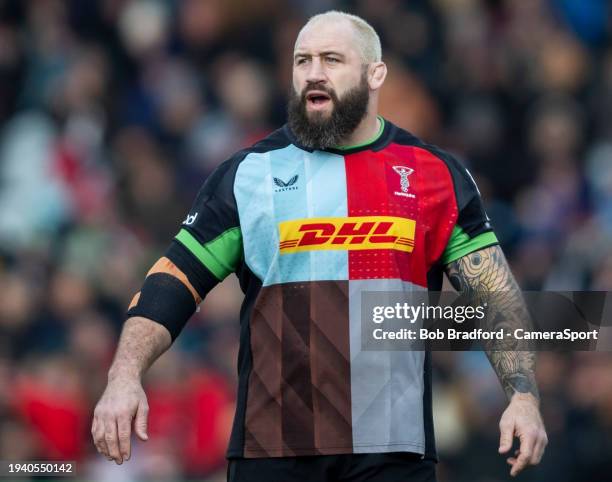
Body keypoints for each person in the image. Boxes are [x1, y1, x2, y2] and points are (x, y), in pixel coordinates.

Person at [92, 10, 547, 482]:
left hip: (392, 453)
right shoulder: (248, 175)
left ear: (375, 75)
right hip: (272, 449)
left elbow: (492, 291)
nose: (313, 72)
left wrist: (523, 395)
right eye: (302, 60)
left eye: (332, 59)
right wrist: (124, 375)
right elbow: (174, 280)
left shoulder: (434, 175)